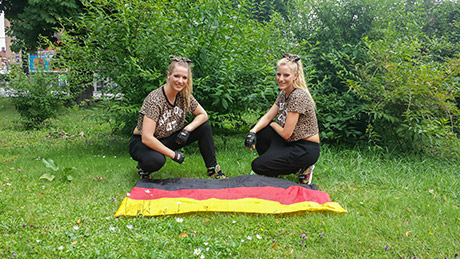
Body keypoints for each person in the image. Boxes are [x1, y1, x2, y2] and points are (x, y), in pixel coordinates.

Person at [129, 56, 226, 179]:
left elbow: (203, 115)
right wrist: (173, 155)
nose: (180, 81)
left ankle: (213, 169)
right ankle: (144, 168)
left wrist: (187, 129)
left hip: (166, 138)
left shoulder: (184, 96)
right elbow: (147, 138)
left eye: (184, 78)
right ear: (168, 75)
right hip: (143, 143)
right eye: (176, 76)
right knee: (156, 160)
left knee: (204, 127)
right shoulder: (155, 99)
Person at [244, 54, 320, 184]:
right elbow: (268, 116)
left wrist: (273, 124)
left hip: (305, 148)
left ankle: (303, 168)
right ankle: (275, 164)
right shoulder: (284, 93)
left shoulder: (298, 96)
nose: (281, 79)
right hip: (290, 142)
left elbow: (286, 134)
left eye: (286, 75)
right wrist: (252, 132)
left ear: (295, 76)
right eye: (278, 74)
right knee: (258, 129)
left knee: (258, 166)